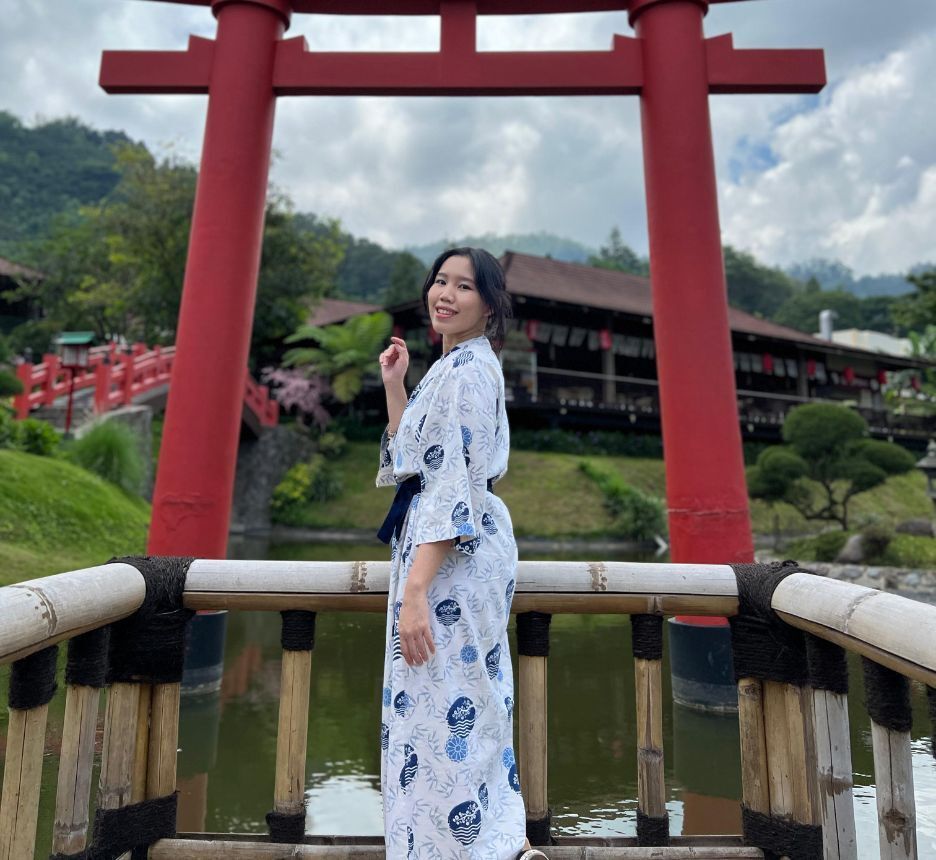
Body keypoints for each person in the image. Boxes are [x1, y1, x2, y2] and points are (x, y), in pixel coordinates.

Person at [376, 248, 544, 859]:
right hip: (439, 554)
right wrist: (396, 385)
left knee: (451, 710)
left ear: (489, 304)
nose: (445, 293)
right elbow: (414, 465)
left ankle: (483, 850)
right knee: (438, 712)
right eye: (439, 281)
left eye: (464, 286)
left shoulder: (471, 371)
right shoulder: (452, 367)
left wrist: (417, 591)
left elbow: (452, 486)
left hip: (451, 562)